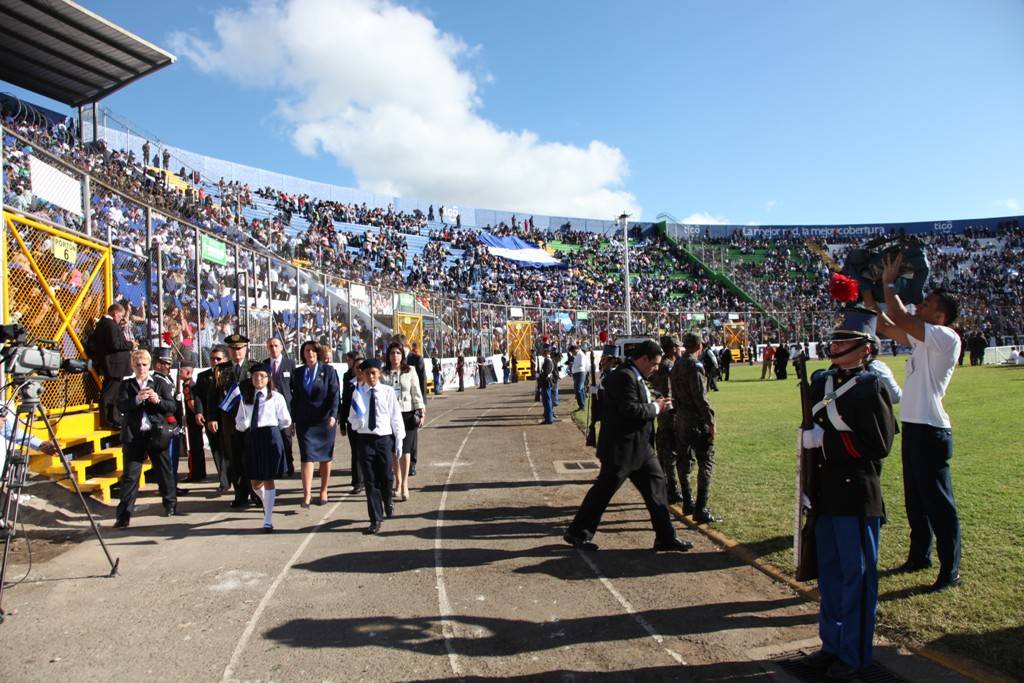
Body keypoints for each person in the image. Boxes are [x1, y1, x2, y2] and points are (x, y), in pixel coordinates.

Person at [800, 306, 896, 679]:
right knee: (830, 576)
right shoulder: (821, 380)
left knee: (856, 579)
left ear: (865, 349)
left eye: (845, 341)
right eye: (836, 338)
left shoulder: (871, 387)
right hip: (825, 496)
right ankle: (832, 645)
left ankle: (855, 655)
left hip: (856, 496)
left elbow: (878, 445)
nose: (836, 345)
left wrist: (827, 441)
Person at [871, 254, 963, 593]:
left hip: (931, 429)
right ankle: (919, 556)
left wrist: (889, 282)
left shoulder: (945, 337)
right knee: (916, 500)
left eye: (926, 304)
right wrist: (868, 293)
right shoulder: (925, 340)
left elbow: (896, 315)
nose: (919, 306)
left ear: (940, 316)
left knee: (939, 503)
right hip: (914, 427)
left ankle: (949, 569)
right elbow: (884, 324)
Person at [563, 340, 693, 552]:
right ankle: (577, 532)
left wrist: (657, 403)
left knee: (657, 486)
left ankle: (666, 537)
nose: (657, 368)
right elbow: (630, 410)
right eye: (655, 364)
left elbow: (639, 402)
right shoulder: (624, 376)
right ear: (643, 359)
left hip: (640, 449)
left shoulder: (635, 376)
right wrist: (656, 408)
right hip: (621, 449)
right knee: (603, 491)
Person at [113, 350, 179, 528]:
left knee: (163, 470)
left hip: (156, 432)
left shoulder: (158, 382)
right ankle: (124, 515)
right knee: (130, 476)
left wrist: (157, 400)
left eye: (144, 365)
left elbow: (171, 406)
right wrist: (136, 399)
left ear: (149, 365)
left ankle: (170, 503)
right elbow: (121, 406)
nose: (141, 368)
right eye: (137, 365)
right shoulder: (127, 385)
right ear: (132, 366)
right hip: (134, 436)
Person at [348, 358, 405, 535]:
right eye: (367, 373)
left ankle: (388, 499)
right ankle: (375, 519)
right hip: (365, 439)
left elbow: (395, 416)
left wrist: (399, 439)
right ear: (363, 375)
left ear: (379, 374)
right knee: (370, 481)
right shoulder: (358, 393)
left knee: (387, 477)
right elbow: (352, 418)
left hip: (384, 439)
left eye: (374, 373)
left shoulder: (387, 392)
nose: (371, 377)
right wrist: (359, 422)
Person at [234, 363, 292, 532]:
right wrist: (243, 425)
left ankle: (268, 518)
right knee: (254, 482)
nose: (258, 379)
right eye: (255, 376)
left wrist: (274, 432)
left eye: (262, 376)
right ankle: (267, 502)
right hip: (253, 438)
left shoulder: (276, 397)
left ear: (268, 379)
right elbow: (238, 422)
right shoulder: (246, 399)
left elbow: (285, 420)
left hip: (270, 438)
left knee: (268, 478)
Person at [671, 333, 719, 523]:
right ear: (699, 345)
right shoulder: (695, 366)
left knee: (683, 461)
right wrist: (711, 421)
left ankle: (687, 501)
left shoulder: (676, 366)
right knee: (705, 461)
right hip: (696, 420)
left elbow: (674, 394)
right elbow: (700, 397)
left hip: (681, 417)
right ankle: (701, 508)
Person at [207, 334, 258, 508]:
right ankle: (240, 494)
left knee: (252, 458)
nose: (237, 352)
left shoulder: (254, 367)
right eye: (233, 349)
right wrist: (212, 417)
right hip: (229, 422)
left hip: (251, 421)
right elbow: (213, 396)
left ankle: (256, 493)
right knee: (234, 459)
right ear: (228, 350)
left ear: (246, 349)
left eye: (240, 348)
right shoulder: (221, 369)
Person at [290, 340, 340, 508]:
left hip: (325, 421)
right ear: (302, 354)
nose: (310, 354)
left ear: (317, 353)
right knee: (307, 457)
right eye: (306, 351)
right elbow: (294, 399)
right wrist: (293, 420)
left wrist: (333, 415)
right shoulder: (298, 373)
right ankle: (307, 494)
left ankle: (324, 490)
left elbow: (334, 395)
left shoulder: (328, 371)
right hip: (305, 422)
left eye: (312, 351)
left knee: (325, 458)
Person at [379, 342, 425, 502]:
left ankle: (404, 483)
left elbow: (416, 392)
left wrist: (421, 410)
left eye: (398, 353)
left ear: (402, 356)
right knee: (394, 452)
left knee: (405, 451)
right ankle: (397, 482)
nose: (395, 356)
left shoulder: (410, 370)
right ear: (388, 356)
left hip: (408, 414)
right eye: (392, 353)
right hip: (390, 416)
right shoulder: (383, 374)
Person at [650, 336, 684, 505]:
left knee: (663, 451)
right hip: (669, 412)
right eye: (678, 347)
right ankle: (672, 490)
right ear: (672, 349)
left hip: (661, 411)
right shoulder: (669, 366)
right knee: (670, 452)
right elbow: (670, 392)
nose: (680, 349)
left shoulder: (660, 366)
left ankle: (663, 487)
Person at [90, 303, 134, 429]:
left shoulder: (108, 324)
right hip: (114, 365)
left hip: (114, 365)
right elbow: (115, 344)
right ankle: (107, 421)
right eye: (120, 316)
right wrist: (130, 344)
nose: (121, 318)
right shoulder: (109, 325)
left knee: (114, 394)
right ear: (115, 313)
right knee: (109, 394)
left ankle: (114, 418)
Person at [193, 345, 230, 493]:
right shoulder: (203, 377)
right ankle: (224, 482)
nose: (215, 361)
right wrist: (199, 412)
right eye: (212, 358)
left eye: (218, 359)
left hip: (229, 419)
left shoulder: (231, 373)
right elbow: (198, 397)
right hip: (211, 418)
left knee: (231, 450)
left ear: (226, 359)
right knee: (217, 450)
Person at [262, 336, 296, 476]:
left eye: (276, 345)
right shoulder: (264, 364)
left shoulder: (290, 364)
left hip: (286, 408)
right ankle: (276, 466)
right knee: (272, 440)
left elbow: (294, 387)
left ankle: (288, 464)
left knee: (286, 438)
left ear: (281, 347)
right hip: (269, 409)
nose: (273, 348)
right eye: (270, 346)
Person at [339, 351, 365, 493]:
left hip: (368, 424)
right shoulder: (349, 382)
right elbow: (345, 403)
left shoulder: (371, 384)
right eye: (357, 368)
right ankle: (357, 482)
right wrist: (342, 423)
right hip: (352, 423)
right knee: (356, 452)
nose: (359, 370)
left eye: (362, 368)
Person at [178, 360, 207, 482]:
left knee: (194, 448)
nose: (179, 373)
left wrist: (195, 416)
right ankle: (200, 473)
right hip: (195, 422)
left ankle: (195, 474)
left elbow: (192, 403)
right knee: (198, 447)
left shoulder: (188, 386)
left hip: (193, 422)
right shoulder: (193, 384)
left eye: (181, 371)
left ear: (188, 372)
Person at [537, 347, 555, 425]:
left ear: (546, 352)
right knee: (546, 401)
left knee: (547, 401)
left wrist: (540, 377)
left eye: (543, 351)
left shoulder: (547, 361)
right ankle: (548, 418)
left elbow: (546, 372)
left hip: (546, 382)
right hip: (546, 382)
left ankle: (549, 418)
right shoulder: (547, 360)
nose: (542, 353)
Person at [571, 344, 588, 410]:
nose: (572, 353)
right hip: (578, 373)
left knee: (578, 389)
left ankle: (581, 405)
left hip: (580, 373)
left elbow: (581, 364)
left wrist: (573, 365)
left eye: (572, 352)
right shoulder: (579, 354)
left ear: (575, 349)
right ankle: (582, 404)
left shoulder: (580, 354)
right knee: (581, 389)